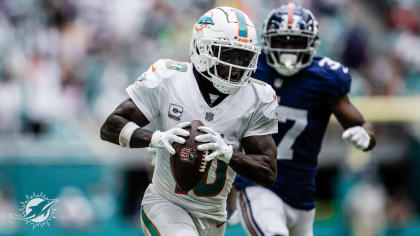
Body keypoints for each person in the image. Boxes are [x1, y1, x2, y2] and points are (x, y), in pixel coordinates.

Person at [100, 6, 279, 236]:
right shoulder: (169, 78)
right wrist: (155, 138)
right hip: (165, 204)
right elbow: (111, 126)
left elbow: (268, 172)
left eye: (243, 56)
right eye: (227, 54)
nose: (236, 66)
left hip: (214, 216)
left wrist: (228, 153)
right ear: (202, 49)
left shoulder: (257, 97)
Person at [233, 3, 376, 236]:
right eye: (282, 41)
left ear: (312, 44)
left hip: (302, 194)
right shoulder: (250, 71)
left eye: (296, 42)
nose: (288, 50)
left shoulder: (325, 78)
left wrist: (365, 135)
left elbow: (363, 126)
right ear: (267, 41)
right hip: (257, 184)